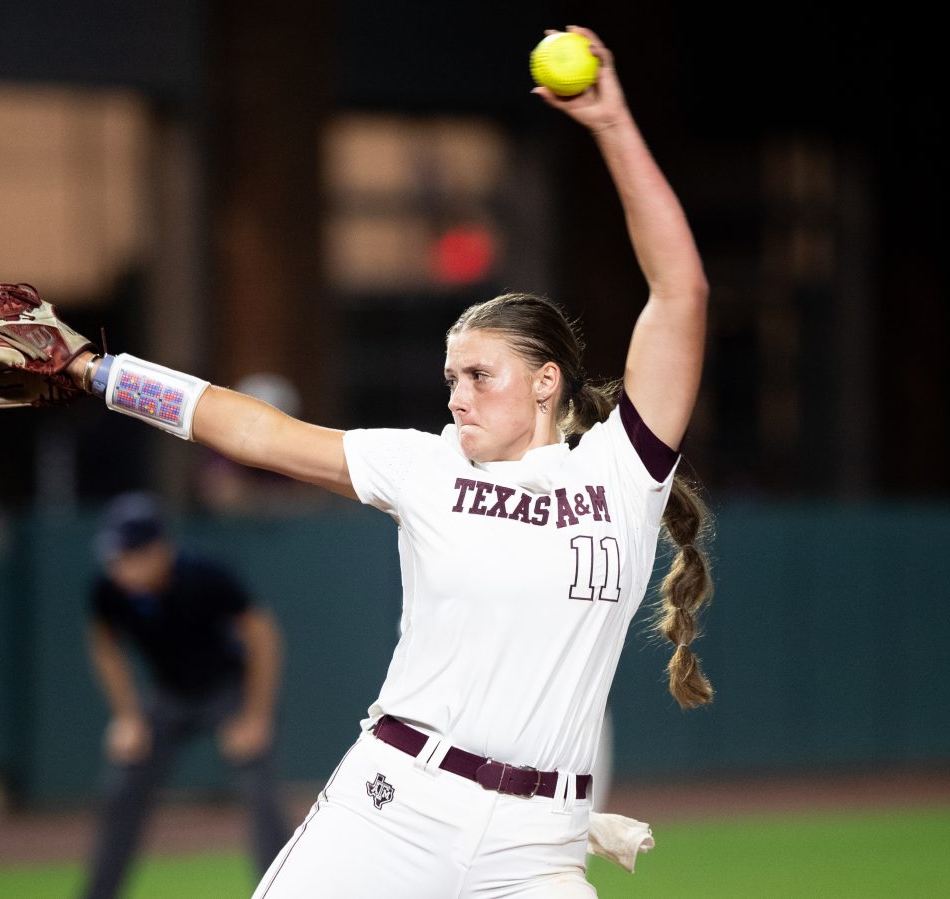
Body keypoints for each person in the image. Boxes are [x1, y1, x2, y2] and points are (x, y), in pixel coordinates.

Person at [55, 23, 710, 897]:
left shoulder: (620, 476)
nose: (457, 394)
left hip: (537, 848)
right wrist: (99, 372)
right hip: (393, 806)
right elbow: (256, 432)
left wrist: (613, 124)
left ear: (548, 381)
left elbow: (681, 292)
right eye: (450, 377)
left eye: (481, 374)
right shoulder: (426, 466)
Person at [79, 491, 292, 899]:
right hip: (168, 697)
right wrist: (126, 716)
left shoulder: (204, 575)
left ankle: (280, 892)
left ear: (158, 550)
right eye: (117, 557)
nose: (120, 566)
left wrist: (255, 717)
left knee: (260, 794)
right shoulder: (110, 588)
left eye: (131, 555)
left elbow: (263, 635)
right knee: (122, 789)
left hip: (228, 693)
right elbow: (103, 643)